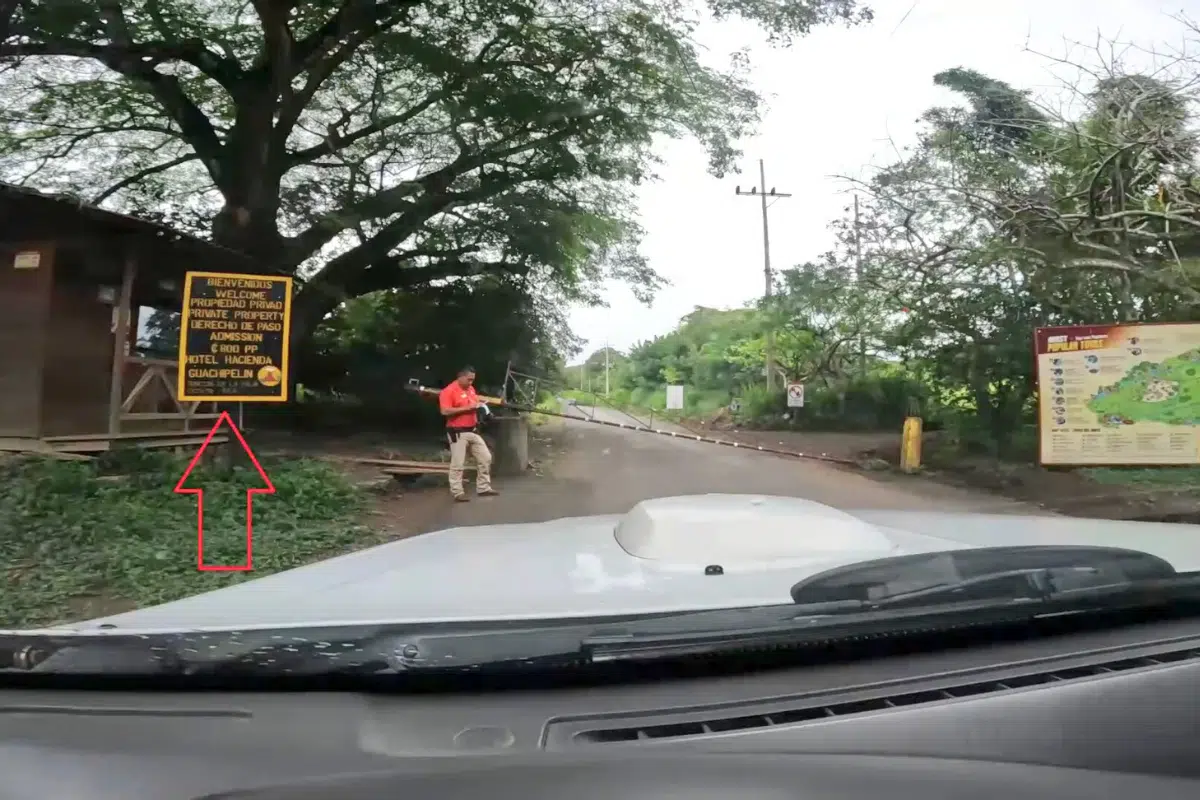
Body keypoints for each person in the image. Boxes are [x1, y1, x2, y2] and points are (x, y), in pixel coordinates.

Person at [437, 366, 499, 502]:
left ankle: (483, 487)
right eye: (469, 380)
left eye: (473, 380)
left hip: (472, 430)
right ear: (460, 377)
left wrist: (482, 408)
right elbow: (445, 411)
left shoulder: (470, 389)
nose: (471, 383)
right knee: (458, 463)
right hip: (457, 432)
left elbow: (474, 403)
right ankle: (457, 492)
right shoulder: (448, 391)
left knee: (486, 457)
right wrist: (467, 408)